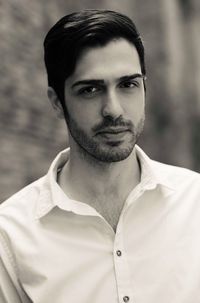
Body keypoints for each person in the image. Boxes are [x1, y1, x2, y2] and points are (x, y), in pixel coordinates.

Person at [0, 9, 200, 303]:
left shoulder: (194, 203)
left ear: (145, 86)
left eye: (128, 84)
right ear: (57, 102)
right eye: (90, 89)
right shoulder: (11, 237)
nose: (114, 109)